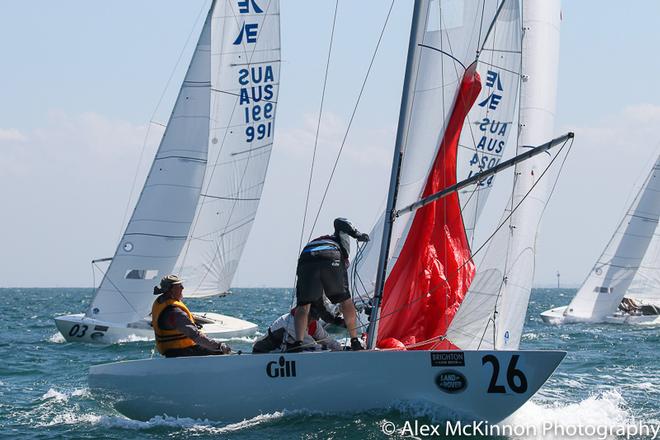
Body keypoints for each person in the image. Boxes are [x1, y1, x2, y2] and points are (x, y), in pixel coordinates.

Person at [291, 218, 369, 352]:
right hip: (330, 254)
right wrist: (357, 234)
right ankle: (355, 341)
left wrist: (338, 321)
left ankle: (298, 344)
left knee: (303, 306)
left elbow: (321, 307)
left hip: (306, 258)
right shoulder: (338, 242)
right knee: (345, 300)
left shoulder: (321, 241)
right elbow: (339, 221)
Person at [151, 274, 231, 358]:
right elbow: (195, 336)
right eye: (179, 286)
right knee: (220, 353)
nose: (182, 288)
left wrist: (193, 322)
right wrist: (219, 345)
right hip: (182, 351)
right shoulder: (174, 312)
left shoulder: (161, 301)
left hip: (170, 352)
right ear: (170, 290)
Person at [252, 298, 343, 353]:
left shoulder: (314, 324)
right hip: (263, 353)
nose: (313, 319)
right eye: (311, 316)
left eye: (316, 317)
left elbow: (327, 340)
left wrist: (340, 348)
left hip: (282, 353)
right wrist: (330, 349)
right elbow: (312, 345)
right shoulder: (290, 322)